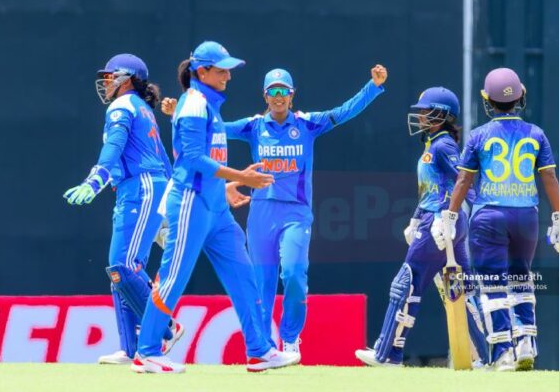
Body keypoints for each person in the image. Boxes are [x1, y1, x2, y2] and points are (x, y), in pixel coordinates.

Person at [133, 41, 299, 374]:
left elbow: (206, 161)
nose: (228, 76)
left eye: (228, 70)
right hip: (190, 204)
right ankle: (146, 352)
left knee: (243, 274)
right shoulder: (195, 103)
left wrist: (225, 188)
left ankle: (260, 350)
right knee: (173, 277)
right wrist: (241, 176)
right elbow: (193, 159)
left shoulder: (206, 104)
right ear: (202, 71)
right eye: (222, 70)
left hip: (215, 207)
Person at [220, 65, 387, 360]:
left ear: (292, 95)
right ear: (265, 96)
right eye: (273, 91)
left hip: (296, 213)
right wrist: (181, 117)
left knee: (294, 274)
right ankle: (263, 348)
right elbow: (218, 129)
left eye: (283, 91)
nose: (278, 96)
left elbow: (343, 112)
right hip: (262, 214)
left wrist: (372, 87)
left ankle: (290, 338)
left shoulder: (307, 124)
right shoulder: (254, 127)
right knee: (262, 283)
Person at [438, 68, 559, 371]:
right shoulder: (536, 133)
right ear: (520, 97)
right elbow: (549, 177)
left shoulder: (478, 136)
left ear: (487, 100)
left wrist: (449, 215)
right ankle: (525, 341)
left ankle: (502, 353)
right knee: (520, 276)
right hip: (526, 217)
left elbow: (463, 180)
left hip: (489, 216)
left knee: (492, 283)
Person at [354, 87, 487, 368]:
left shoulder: (444, 145)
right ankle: (485, 358)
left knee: (407, 281)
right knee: (460, 289)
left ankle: (388, 353)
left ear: (442, 114)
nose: (421, 116)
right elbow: (430, 190)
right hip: (439, 222)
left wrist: (451, 215)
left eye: (426, 111)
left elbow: (463, 182)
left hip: (439, 224)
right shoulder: (432, 143)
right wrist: (416, 218)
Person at [63, 54, 182, 365]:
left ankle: (166, 328)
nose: (105, 83)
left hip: (142, 186)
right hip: (141, 188)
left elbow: (113, 147)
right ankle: (130, 349)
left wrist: (95, 179)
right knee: (123, 269)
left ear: (128, 79)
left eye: (110, 76)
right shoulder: (142, 108)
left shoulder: (123, 105)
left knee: (123, 266)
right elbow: (162, 157)